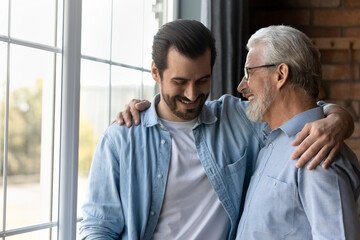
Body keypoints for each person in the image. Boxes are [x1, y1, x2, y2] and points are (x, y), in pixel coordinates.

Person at [80, 19, 354, 240]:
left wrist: (338, 117)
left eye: (202, 80)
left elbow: (297, 107)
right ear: (155, 72)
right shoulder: (122, 138)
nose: (191, 93)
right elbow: (98, 228)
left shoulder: (238, 119)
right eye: (179, 81)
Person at [235, 25, 360, 239]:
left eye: (249, 72)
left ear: (281, 74)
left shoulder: (317, 152)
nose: (241, 85)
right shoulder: (273, 143)